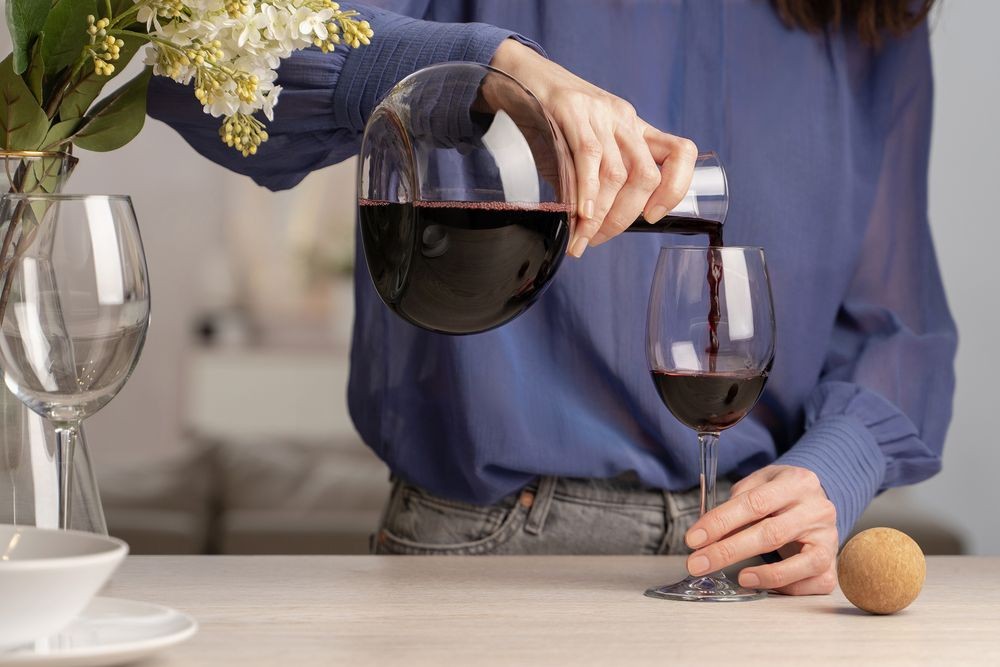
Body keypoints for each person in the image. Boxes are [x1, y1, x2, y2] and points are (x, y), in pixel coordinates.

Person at [148, 0, 955, 595]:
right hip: (492, 549)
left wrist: (836, 467)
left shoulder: (871, 16)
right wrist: (492, 70)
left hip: (758, 564)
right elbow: (196, 62)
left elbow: (898, 323)